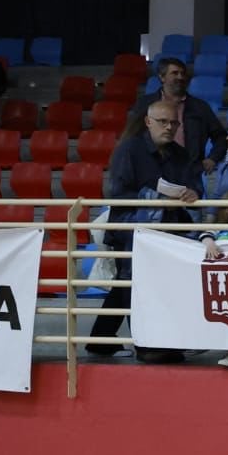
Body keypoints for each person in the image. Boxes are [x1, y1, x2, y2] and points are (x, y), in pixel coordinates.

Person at [85, 101, 206, 362]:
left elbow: (197, 186)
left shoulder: (181, 154)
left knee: (128, 283)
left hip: (166, 229)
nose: (170, 127)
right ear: (148, 122)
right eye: (163, 121)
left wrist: (193, 192)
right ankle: (145, 344)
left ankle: (100, 339)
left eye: (174, 122)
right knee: (133, 282)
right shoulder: (129, 149)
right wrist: (157, 197)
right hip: (131, 228)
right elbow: (118, 193)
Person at [139, 56, 228, 173]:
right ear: (162, 77)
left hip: (190, 171)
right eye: (175, 73)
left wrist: (213, 158)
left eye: (183, 73)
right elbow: (134, 134)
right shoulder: (145, 104)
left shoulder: (200, 107)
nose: (180, 77)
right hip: (152, 168)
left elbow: (221, 136)